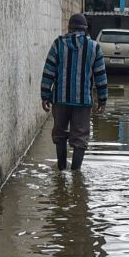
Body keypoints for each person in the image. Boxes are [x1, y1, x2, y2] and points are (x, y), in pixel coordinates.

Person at [41, 13, 108, 170]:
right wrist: (102, 99)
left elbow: (48, 71)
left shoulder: (58, 44)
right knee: (80, 138)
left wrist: (45, 95)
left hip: (60, 99)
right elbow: (100, 75)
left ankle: (62, 169)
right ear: (85, 29)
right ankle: (76, 174)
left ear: (69, 28)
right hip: (83, 101)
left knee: (60, 134)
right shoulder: (94, 47)